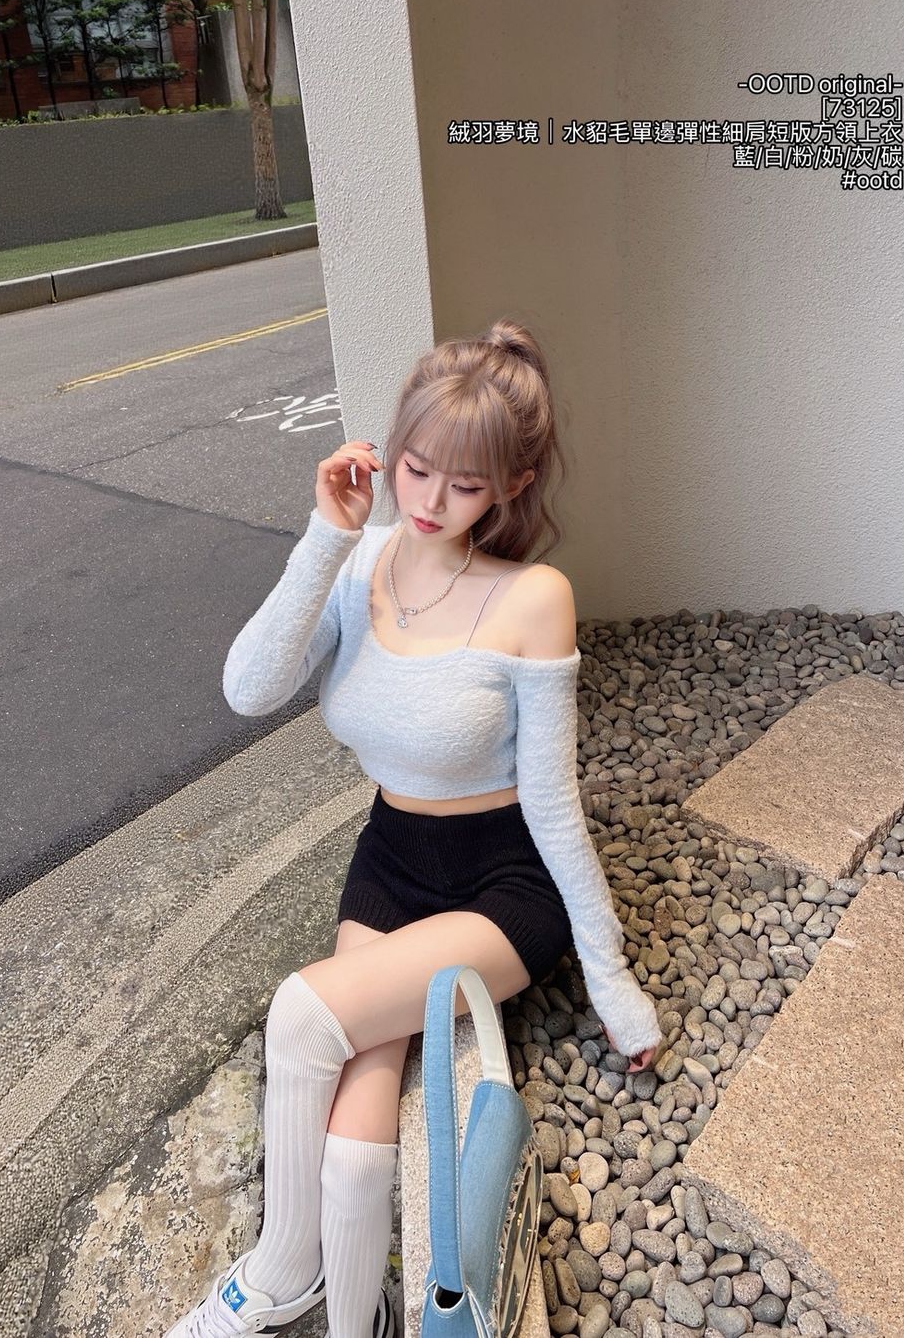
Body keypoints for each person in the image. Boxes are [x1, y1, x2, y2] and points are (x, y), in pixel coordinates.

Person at [166, 319, 662, 1338]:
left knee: (304, 1014)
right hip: (391, 859)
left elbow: (554, 804)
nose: (428, 500)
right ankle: (352, 1319)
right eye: (415, 468)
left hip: (502, 883)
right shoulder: (362, 563)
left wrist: (611, 981)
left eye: (463, 484)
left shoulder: (533, 598)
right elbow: (249, 689)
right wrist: (327, 535)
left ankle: (279, 1273)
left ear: (513, 484)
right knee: (356, 1119)